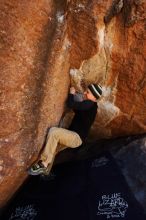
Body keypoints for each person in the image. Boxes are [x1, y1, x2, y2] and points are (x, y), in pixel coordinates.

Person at [28, 84, 103, 176]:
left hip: (75, 137)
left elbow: (70, 104)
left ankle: (43, 163)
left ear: (94, 97)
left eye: (88, 92)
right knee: (53, 148)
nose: (84, 93)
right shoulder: (91, 106)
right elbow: (77, 109)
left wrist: (71, 94)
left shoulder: (90, 104)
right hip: (75, 137)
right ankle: (45, 173)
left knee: (54, 132)